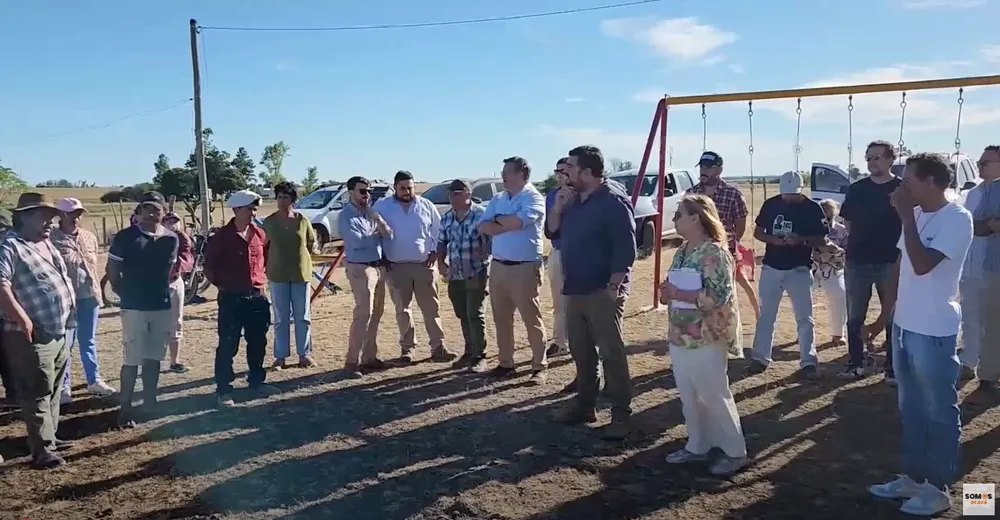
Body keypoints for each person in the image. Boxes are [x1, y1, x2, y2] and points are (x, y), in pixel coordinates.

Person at [867, 153, 972, 517]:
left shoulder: (957, 218)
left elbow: (924, 264)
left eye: (908, 179)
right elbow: (901, 266)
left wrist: (906, 217)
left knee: (939, 411)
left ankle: (938, 488)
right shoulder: (917, 215)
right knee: (910, 409)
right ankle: (913, 478)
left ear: (930, 181)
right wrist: (884, 319)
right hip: (905, 327)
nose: (901, 186)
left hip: (934, 330)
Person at [546, 145, 636, 439]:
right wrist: (558, 207)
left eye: (569, 167)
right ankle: (585, 405)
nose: (564, 172)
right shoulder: (572, 199)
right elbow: (552, 232)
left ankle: (621, 414)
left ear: (587, 171)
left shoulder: (612, 200)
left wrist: (614, 286)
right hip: (574, 288)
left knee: (611, 352)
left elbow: (626, 248)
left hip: (601, 290)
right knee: (581, 352)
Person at [659, 194, 748, 475]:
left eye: (679, 215)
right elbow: (675, 290)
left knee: (713, 392)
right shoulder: (682, 251)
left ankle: (735, 451)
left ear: (696, 218)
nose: (674, 220)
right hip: (680, 334)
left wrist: (678, 293)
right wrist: (667, 293)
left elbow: (720, 296)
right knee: (688, 393)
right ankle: (697, 444)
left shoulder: (714, 253)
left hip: (707, 335)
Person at [0, 193, 76, 468]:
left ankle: (50, 439)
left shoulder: (46, 243)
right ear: (25, 216)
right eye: (43, 216)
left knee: (53, 388)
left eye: (51, 216)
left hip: (58, 328)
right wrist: (23, 320)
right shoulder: (10, 245)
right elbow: (1, 283)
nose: (50, 221)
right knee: (37, 390)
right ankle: (42, 450)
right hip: (30, 333)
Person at [106, 191, 178, 427]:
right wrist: (126, 295)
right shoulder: (125, 237)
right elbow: (113, 274)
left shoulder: (171, 238)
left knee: (154, 356)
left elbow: (168, 273)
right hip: (134, 306)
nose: (150, 213)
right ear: (138, 212)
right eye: (145, 208)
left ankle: (150, 402)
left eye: (156, 209)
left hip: (160, 304)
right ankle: (125, 409)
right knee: (132, 359)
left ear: (164, 212)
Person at [747, 172, 827, 378]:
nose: (788, 199)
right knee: (766, 315)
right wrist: (773, 240)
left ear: (801, 190)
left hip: (799, 269)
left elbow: (822, 239)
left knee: (804, 317)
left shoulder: (812, 208)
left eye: (792, 195)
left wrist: (801, 240)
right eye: (785, 195)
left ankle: (808, 361)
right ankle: (760, 358)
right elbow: (758, 232)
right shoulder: (771, 204)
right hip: (772, 266)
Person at [479, 156, 549, 384]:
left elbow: (519, 223)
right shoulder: (498, 198)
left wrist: (498, 221)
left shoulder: (533, 197)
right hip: (498, 266)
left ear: (521, 174)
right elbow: (483, 226)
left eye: (506, 171)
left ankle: (540, 366)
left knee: (531, 318)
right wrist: (504, 221)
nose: (502, 176)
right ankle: (506, 363)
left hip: (525, 268)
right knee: (501, 318)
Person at [374, 170, 455, 364]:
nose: (406, 192)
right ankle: (407, 350)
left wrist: (436, 252)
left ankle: (438, 347)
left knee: (431, 308)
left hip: (423, 265)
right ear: (395, 187)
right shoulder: (383, 206)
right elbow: (374, 232)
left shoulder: (425, 205)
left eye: (410, 188)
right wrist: (381, 257)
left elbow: (439, 230)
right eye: (402, 188)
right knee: (403, 310)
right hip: (395, 267)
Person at [204, 190, 275, 408]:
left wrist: (261, 282)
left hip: (256, 295)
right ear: (236, 210)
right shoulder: (221, 238)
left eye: (255, 209)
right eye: (249, 209)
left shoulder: (260, 234)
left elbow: (265, 258)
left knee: (257, 340)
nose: (253, 212)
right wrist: (223, 285)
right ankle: (224, 390)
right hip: (231, 297)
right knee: (227, 344)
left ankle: (256, 381)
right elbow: (209, 267)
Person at [839, 140, 902, 382]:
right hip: (858, 260)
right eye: (868, 158)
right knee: (855, 315)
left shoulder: (901, 189)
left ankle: (892, 368)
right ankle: (856, 363)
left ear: (890, 160)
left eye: (877, 157)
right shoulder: (857, 189)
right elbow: (848, 222)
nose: (872, 162)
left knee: (893, 315)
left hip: (891, 261)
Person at [50, 198, 116, 399]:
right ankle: (64, 386)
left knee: (88, 340)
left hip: (89, 296)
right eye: (72, 213)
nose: (77, 217)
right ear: (60, 215)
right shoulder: (50, 238)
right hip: (64, 299)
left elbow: (93, 264)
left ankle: (94, 380)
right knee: (65, 343)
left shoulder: (89, 237)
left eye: (79, 213)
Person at [686, 151, 760, 319]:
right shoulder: (692, 195)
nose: (704, 171)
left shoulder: (733, 194)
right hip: (697, 252)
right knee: (699, 289)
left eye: (708, 167)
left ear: (719, 169)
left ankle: (757, 316)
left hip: (724, 252)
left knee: (731, 289)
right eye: (702, 166)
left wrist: (730, 244)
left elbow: (740, 225)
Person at [339, 176, 393, 378]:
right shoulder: (346, 216)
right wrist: (375, 233)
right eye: (362, 191)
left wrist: (377, 220)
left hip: (378, 266)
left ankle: (369, 357)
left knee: (376, 313)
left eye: (369, 191)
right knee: (364, 313)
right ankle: (351, 361)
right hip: (361, 268)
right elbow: (357, 241)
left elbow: (389, 234)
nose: (367, 195)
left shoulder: (371, 214)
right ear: (351, 192)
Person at [437, 179, 491, 373]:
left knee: (475, 314)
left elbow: (490, 242)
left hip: (476, 271)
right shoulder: (448, 217)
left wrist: (484, 251)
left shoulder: (481, 215)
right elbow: (442, 241)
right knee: (462, 314)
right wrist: (441, 262)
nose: (452, 197)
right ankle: (469, 351)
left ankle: (480, 356)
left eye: (457, 193)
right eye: (451, 194)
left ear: (468, 193)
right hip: (456, 272)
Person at [262, 181, 318, 369]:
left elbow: (312, 242)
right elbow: (262, 246)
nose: (281, 200)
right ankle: (280, 356)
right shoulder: (269, 222)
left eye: (285, 197)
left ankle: (304, 354)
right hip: (277, 274)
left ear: (293, 199)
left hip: (301, 274)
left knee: (302, 317)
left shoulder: (302, 220)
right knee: (280, 318)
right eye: (279, 197)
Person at [958, 145, 1000, 383]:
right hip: (972, 264)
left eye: (986, 163)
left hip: (995, 266)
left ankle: (990, 367)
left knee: (993, 320)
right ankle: (969, 359)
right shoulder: (972, 193)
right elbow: (973, 226)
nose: (980, 166)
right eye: (980, 162)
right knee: (970, 315)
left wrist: (986, 226)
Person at [812, 199, 848, 345]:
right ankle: (805, 331)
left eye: (829, 216)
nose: (826, 219)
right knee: (801, 295)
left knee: (839, 293)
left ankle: (838, 334)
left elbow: (848, 253)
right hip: (812, 268)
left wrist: (835, 251)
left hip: (833, 269)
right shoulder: (810, 228)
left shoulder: (841, 230)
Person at [544, 158, 570, 358]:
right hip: (558, 250)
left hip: (578, 253)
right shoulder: (552, 196)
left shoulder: (583, 195)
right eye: (557, 171)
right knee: (558, 300)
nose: (560, 175)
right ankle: (560, 341)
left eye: (564, 170)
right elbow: (550, 230)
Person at [162, 212, 194, 373]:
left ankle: (175, 361)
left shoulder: (182, 239)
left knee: (176, 321)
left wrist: (174, 266)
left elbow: (186, 260)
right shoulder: (155, 237)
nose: (172, 224)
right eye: (168, 221)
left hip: (174, 281)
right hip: (155, 285)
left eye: (175, 221)